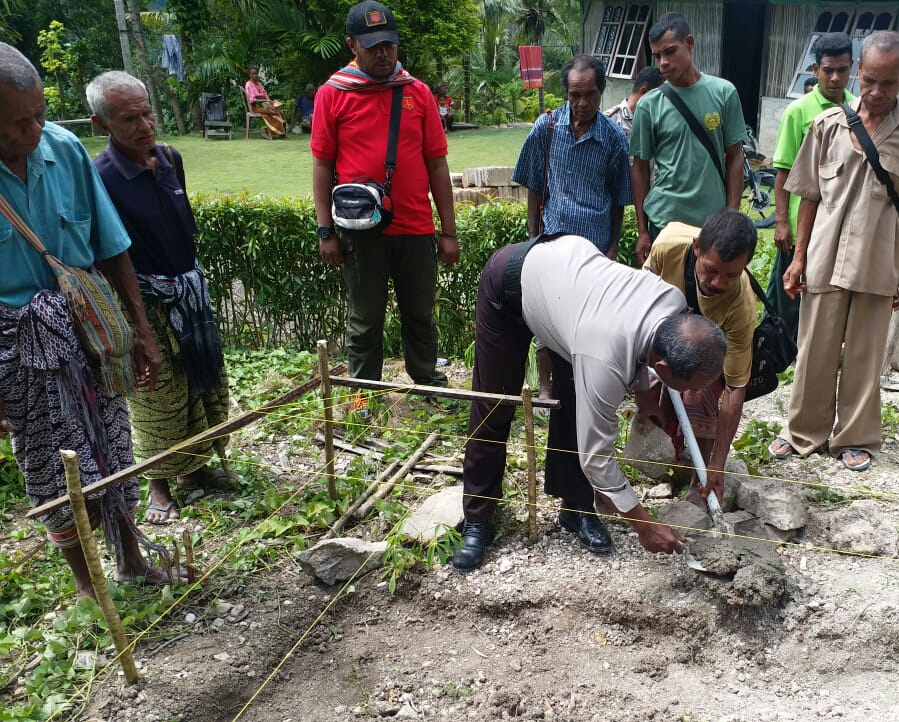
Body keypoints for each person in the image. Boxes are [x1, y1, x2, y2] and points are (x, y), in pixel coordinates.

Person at [0, 43, 175, 599]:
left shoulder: (66, 150)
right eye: (17, 123)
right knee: (51, 464)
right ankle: (87, 587)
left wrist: (140, 333)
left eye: (39, 115)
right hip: (17, 348)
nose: (33, 130)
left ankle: (129, 558)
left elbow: (111, 247)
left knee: (113, 444)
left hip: (88, 331)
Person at [451, 234, 728, 571]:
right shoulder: (604, 357)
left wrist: (644, 396)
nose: (689, 397)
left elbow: (643, 346)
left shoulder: (671, 301)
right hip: (511, 283)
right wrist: (644, 524)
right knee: (494, 406)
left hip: (576, 302)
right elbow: (596, 459)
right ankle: (477, 518)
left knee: (572, 410)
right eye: (688, 389)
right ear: (665, 368)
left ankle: (576, 508)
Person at [768, 31, 899, 472]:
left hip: (880, 258)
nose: (876, 92)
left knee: (866, 354)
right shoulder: (828, 126)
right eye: (868, 80)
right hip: (825, 256)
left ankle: (856, 437)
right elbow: (808, 195)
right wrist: (798, 257)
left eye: (888, 83)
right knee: (814, 349)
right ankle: (802, 432)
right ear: (858, 73)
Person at [88, 71, 232, 525]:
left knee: (201, 380)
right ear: (101, 124)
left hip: (188, 294)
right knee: (156, 393)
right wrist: (137, 326)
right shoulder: (100, 177)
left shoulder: (170, 158)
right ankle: (157, 483)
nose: (145, 125)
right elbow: (111, 253)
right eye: (130, 118)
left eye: (147, 112)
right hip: (142, 301)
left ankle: (196, 469)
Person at [311, 1, 459, 408]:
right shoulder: (333, 94)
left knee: (420, 314)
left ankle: (428, 382)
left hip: (415, 228)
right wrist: (325, 230)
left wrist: (448, 232)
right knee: (365, 320)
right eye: (373, 46)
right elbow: (322, 166)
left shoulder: (417, 93)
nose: (383, 54)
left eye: (389, 46)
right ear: (352, 46)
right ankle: (363, 395)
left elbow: (437, 165)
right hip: (361, 231)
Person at [643, 208, 758, 504]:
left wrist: (717, 464)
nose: (718, 283)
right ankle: (677, 459)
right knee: (656, 390)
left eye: (732, 275)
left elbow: (734, 387)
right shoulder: (667, 247)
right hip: (666, 334)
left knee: (701, 390)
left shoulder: (741, 306)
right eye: (711, 270)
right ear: (697, 247)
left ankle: (700, 475)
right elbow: (638, 305)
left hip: (708, 360)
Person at [630, 12, 745, 265]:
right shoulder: (649, 105)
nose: (663, 62)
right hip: (664, 221)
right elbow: (640, 168)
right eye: (657, 55)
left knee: (709, 296)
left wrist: (731, 216)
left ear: (689, 43)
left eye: (670, 52)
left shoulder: (724, 93)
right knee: (664, 300)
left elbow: (736, 156)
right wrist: (643, 231)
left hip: (712, 225)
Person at [768, 32, 855, 342]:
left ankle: (815, 346)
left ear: (852, 68)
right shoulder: (799, 111)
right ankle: (779, 351)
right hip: (798, 222)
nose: (834, 78)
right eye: (827, 70)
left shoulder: (858, 110)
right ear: (815, 69)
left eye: (842, 70)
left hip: (837, 224)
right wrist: (781, 222)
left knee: (826, 292)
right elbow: (783, 172)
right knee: (788, 294)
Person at [513, 55, 631, 259]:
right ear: (566, 93)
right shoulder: (546, 128)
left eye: (590, 95)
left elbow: (618, 198)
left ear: (601, 91)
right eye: (575, 95)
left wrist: (612, 248)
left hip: (595, 250)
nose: (583, 103)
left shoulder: (614, 138)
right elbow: (534, 185)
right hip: (552, 246)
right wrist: (533, 239)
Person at [604, 66, 665, 141]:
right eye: (658, 98)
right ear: (644, 91)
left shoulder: (655, 123)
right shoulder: (610, 121)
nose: (661, 103)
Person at [244, 67, 286, 139]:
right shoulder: (248, 84)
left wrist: (269, 102)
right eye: (253, 73)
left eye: (256, 73)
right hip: (255, 106)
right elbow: (252, 100)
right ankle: (268, 132)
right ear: (250, 75)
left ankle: (280, 133)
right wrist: (262, 100)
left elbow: (265, 94)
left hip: (264, 104)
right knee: (274, 111)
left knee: (280, 111)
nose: (255, 75)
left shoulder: (259, 84)